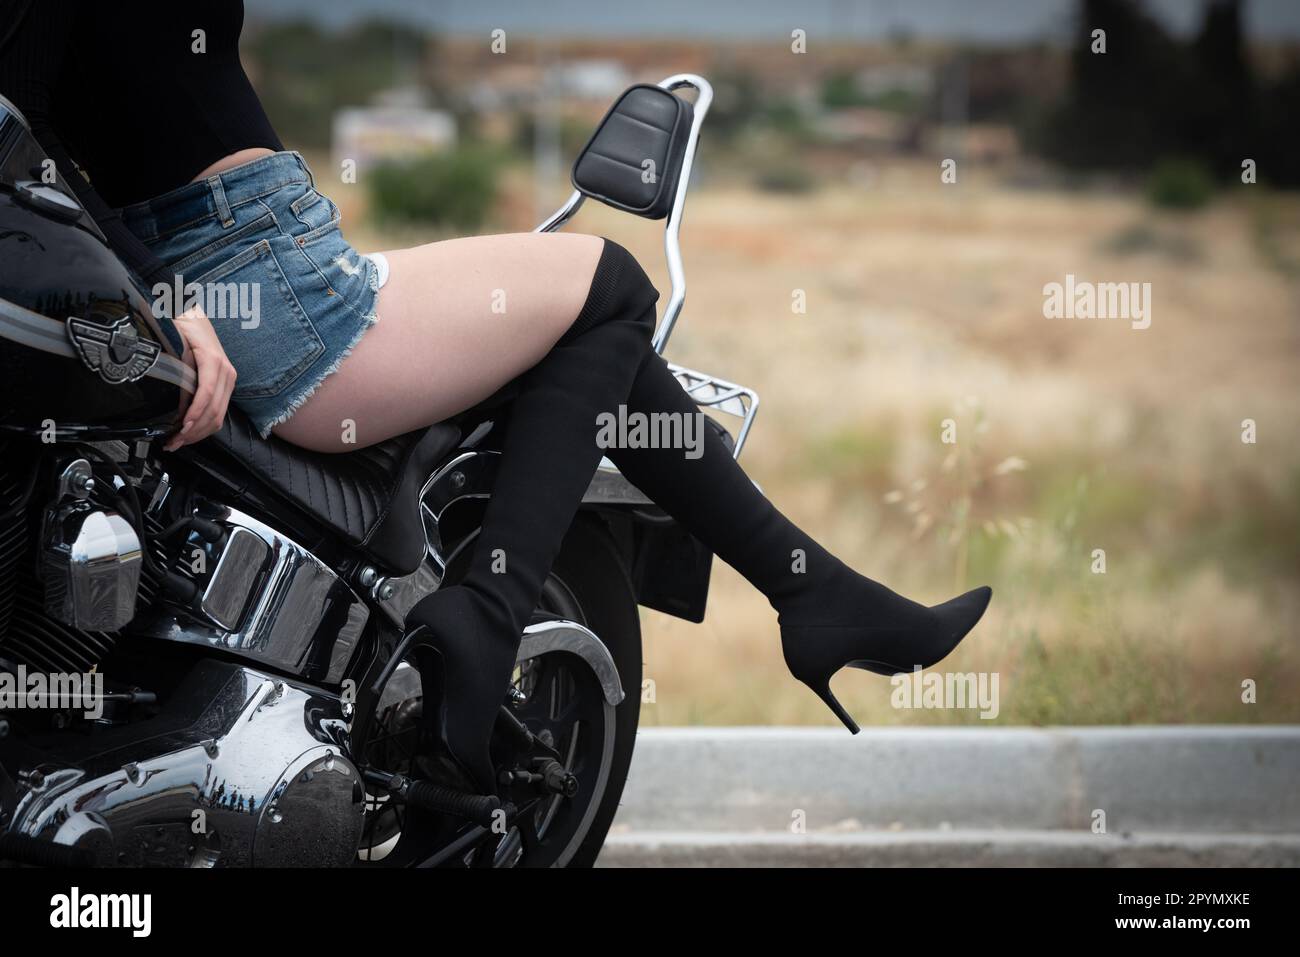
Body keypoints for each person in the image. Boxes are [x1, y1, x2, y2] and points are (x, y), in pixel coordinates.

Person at [0, 1, 992, 795]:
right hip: (257, 275)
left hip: (232, 259)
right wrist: (158, 291)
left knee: (558, 324)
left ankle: (813, 592)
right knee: (608, 289)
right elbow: (20, 112)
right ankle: (492, 617)